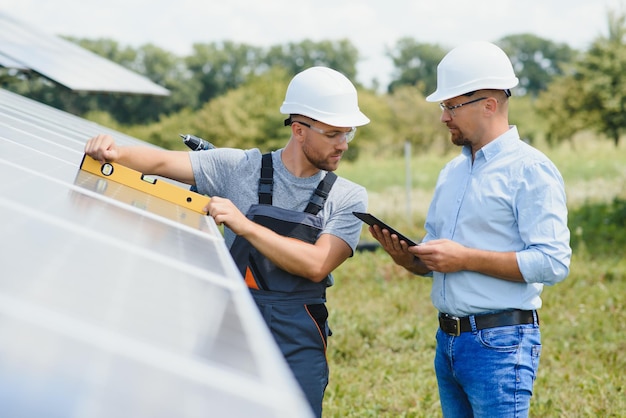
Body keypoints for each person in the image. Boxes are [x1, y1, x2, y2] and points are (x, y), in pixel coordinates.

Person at [84, 66, 370, 418]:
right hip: (233, 321)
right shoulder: (239, 168)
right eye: (333, 133)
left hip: (299, 333)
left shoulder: (348, 197)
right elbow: (161, 161)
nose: (343, 144)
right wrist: (112, 152)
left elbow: (316, 264)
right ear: (299, 130)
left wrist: (244, 224)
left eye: (348, 133)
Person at [368, 41, 571, 417]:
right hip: (448, 342)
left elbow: (553, 262)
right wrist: (409, 260)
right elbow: (439, 259)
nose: (443, 117)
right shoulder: (452, 173)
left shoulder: (531, 170)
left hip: (500, 344)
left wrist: (464, 259)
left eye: (450, 106)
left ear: (489, 105)